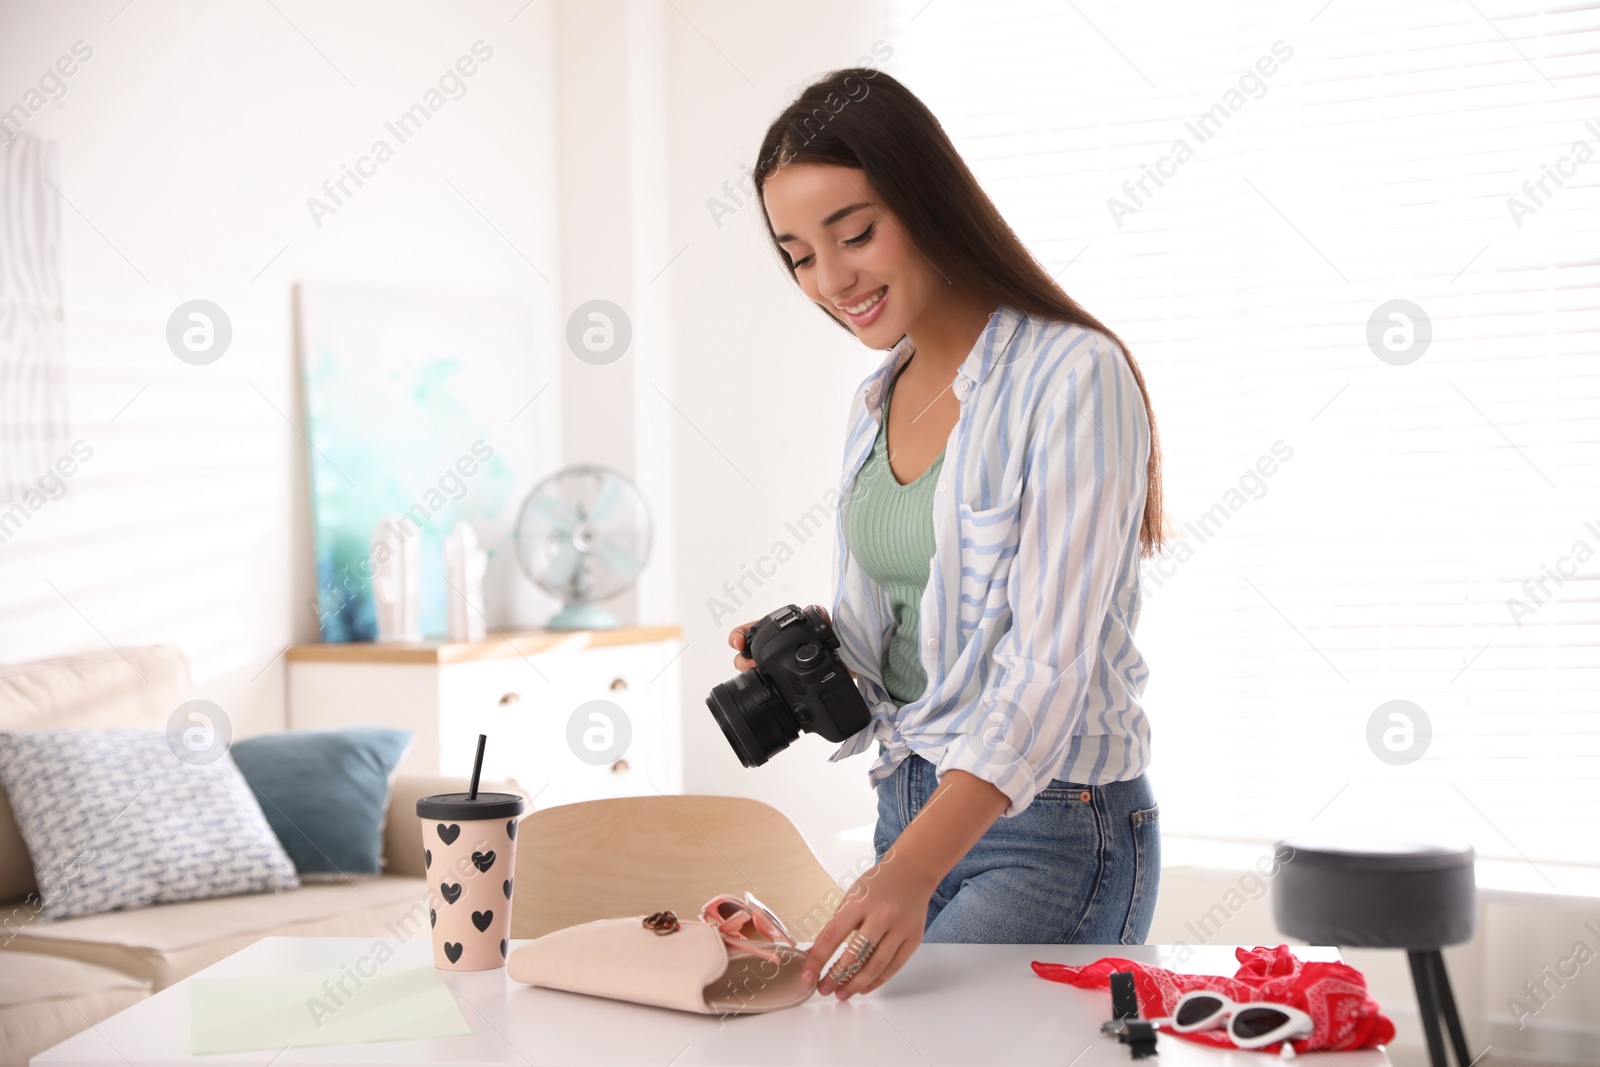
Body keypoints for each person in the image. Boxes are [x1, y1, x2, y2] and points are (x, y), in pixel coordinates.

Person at [728, 67, 1168, 1002]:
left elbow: (1049, 667)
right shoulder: (875, 396)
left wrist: (910, 874)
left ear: (927, 198)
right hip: (908, 804)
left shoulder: (1073, 375)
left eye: (855, 233)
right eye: (800, 254)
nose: (832, 278)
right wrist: (807, 652)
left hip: (1053, 826)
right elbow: (928, 626)